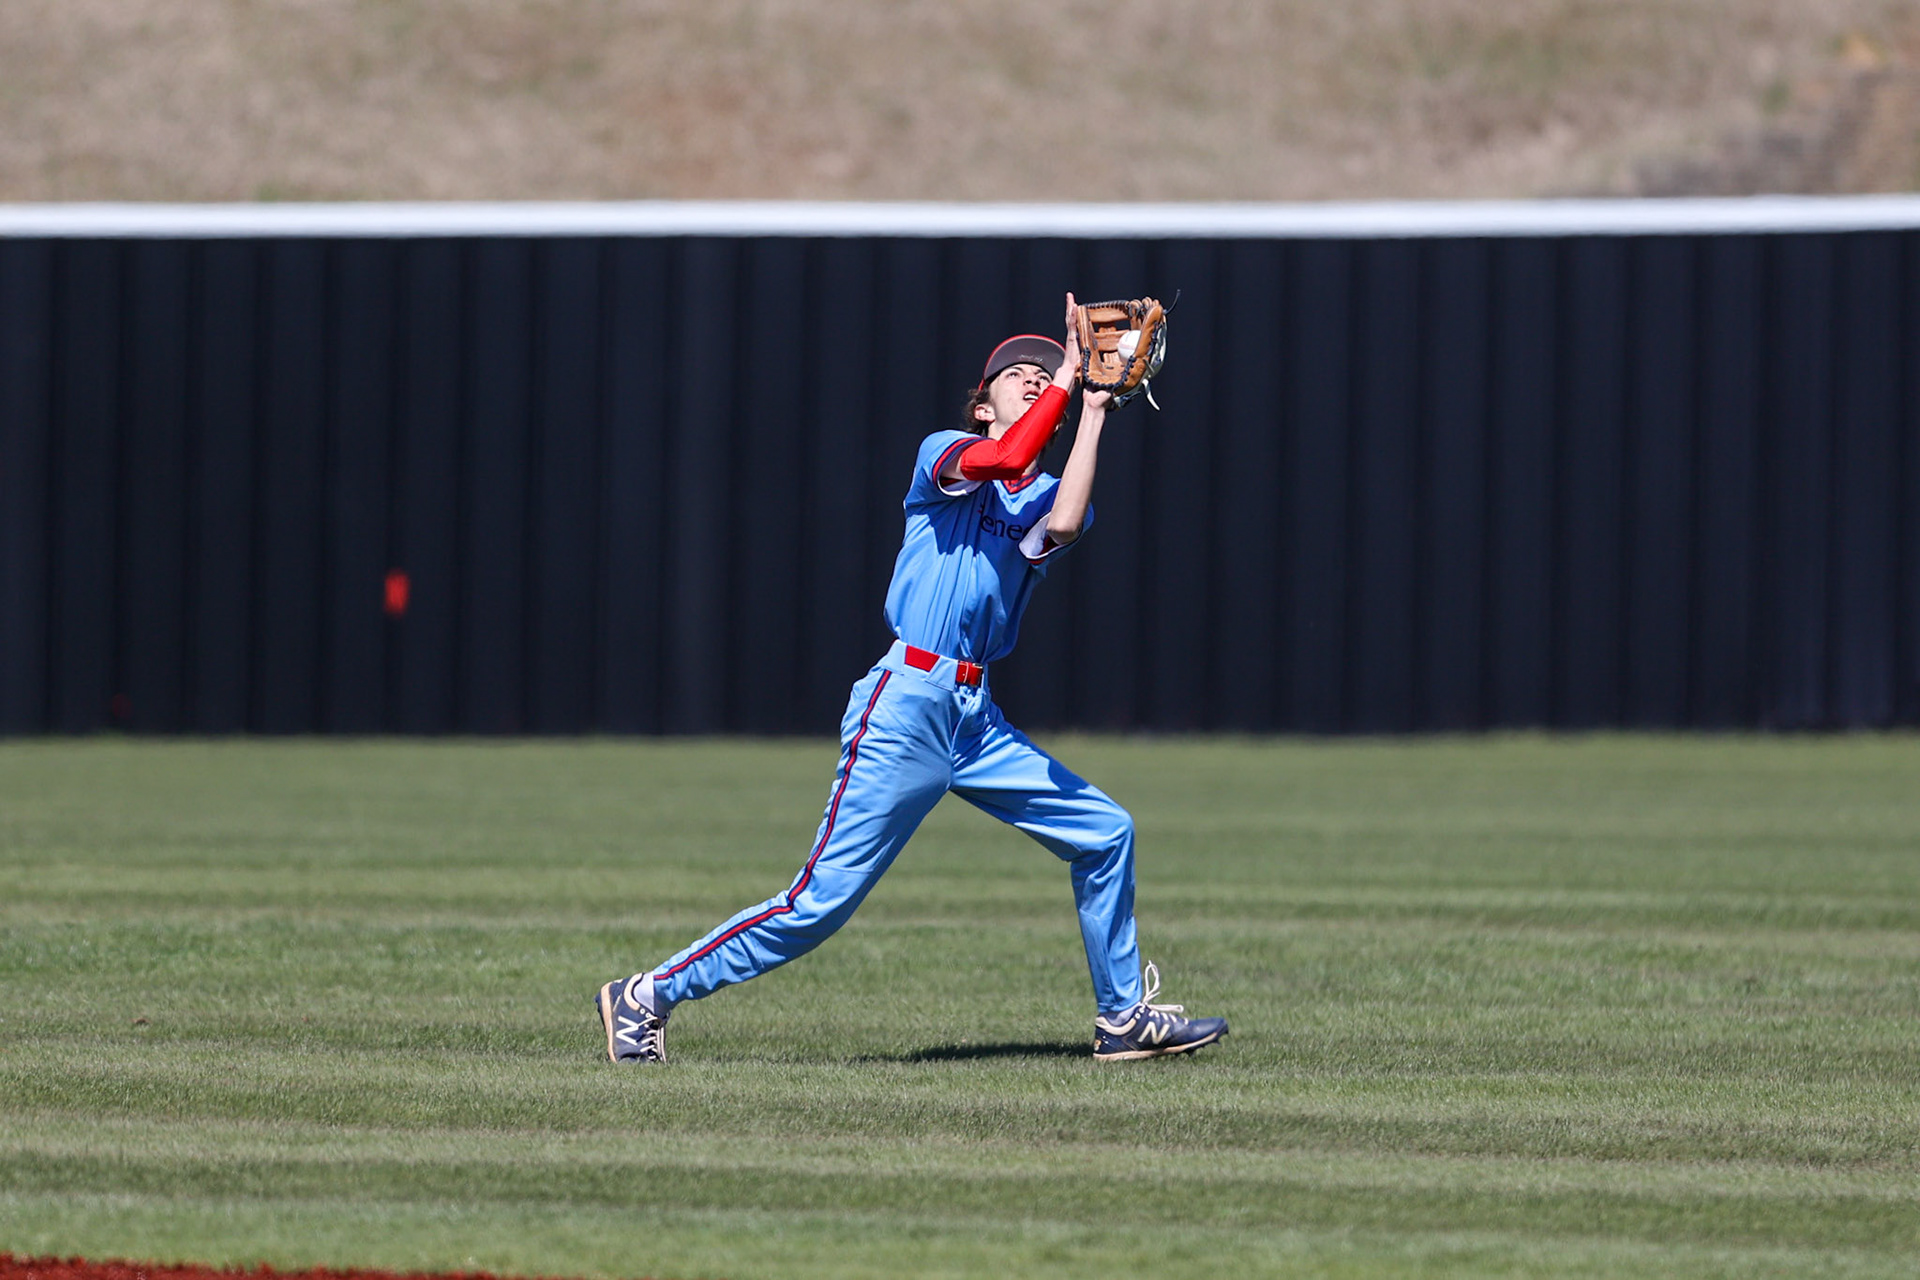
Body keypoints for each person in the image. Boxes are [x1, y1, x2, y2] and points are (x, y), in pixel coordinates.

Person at [595, 293, 1227, 1064]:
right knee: (819, 904)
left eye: (1042, 372)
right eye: (1016, 374)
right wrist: (1066, 376)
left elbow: (1062, 523)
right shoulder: (944, 456)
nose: (1033, 378)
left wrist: (1092, 409)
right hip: (906, 702)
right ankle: (645, 995)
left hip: (975, 716)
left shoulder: (1035, 495)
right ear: (983, 402)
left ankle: (1122, 1018)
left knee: (1105, 834)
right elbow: (1005, 458)